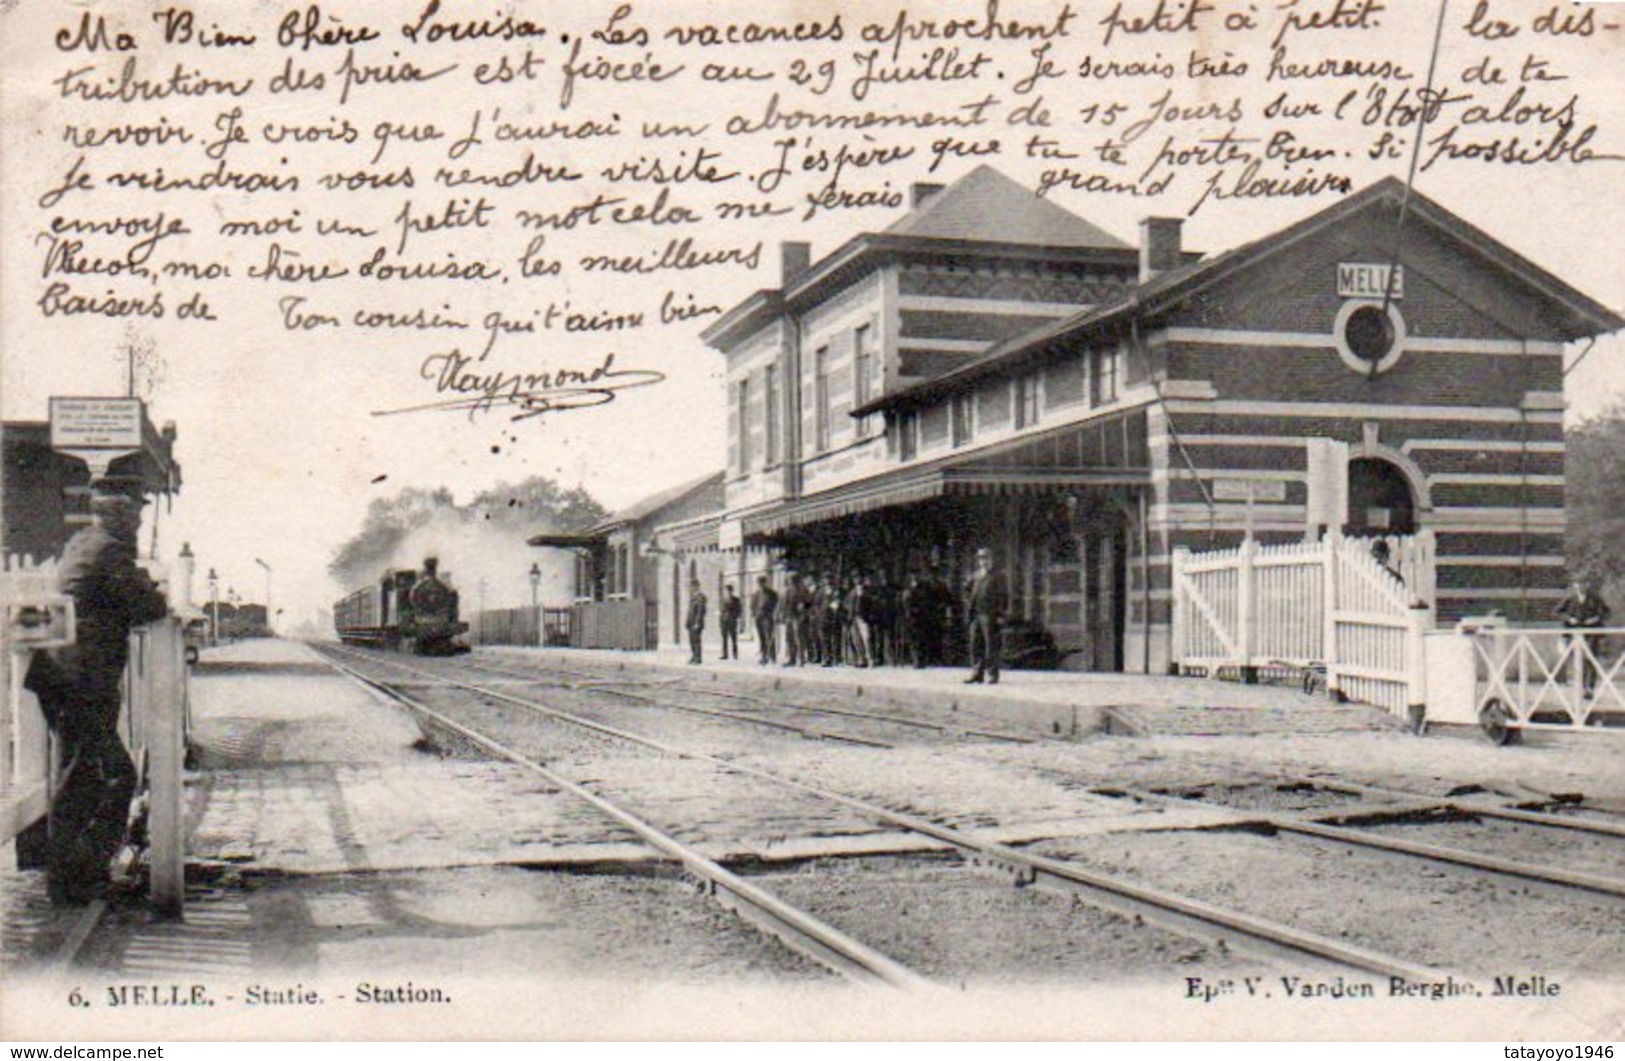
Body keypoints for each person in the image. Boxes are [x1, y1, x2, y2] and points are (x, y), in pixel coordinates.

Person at [24, 481, 168, 906]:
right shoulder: (108, 550)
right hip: (80, 681)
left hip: (67, 677)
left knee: (86, 773)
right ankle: (73, 880)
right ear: (117, 513)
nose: (141, 520)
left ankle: (77, 876)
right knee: (95, 776)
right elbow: (149, 606)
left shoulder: (85, 544)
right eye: (136, 512)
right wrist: (149, 589)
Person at [1556, 579, 1611, 698]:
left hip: (1592, 633)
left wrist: (1596, 619)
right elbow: (1558, 612)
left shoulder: (1595, 598)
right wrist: (1569, 619)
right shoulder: (1570, 598)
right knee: (1578, 660)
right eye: (1578, 584)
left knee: (1591, 659)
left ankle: (1590, 687)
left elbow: (1606, 612)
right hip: (1574, 633)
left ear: (1588, 584)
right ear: (1575, 585)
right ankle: (1581, 687)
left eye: (1584, 583)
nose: (1581, 586)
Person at [964, 547, 1007, 685]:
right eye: (981, 558)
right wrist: (968, 601)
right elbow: (967, 589)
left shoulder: (998, 576)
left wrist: (1000, 614)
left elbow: (1003, 597)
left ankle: (992, 674)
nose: (984, 561)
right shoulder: (976, 576)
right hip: (976, 614)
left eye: (986, 558)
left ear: (991, 559)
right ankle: (977, 673)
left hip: (990, 615)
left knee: (991, 646)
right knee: (975, 644)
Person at [751, 576, 779, 665]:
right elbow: (753, 605)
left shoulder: (772, 593)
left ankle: (772, 657)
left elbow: (776, 604)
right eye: (759, 583)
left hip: (768, 617)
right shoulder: (756, 594)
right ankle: (764, 656)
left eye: (762, 583)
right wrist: (754, 614)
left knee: (769, 637)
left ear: (765, 583)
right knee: (762, 638)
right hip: (759, 618)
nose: (761, 585)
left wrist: (773, 613)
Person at [685, 580, 707, 664]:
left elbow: (700, 611)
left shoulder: (701, 597)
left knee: (696, 641)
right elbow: (690, 611)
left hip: (696, 623)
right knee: (692, 640)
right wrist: (687, 622)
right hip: (691, 623)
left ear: (696, 586)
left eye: (692, 587)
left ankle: (698, 658)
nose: (691, 589)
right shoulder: (693, 597)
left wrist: (697, 623)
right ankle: (694, 656)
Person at [719, 584, 742, 660]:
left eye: (729, 591)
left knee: (733, 639)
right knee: (724, 639)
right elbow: (722, 611)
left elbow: (739, 610)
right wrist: (721, 621)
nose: (728, 592)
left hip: (732, 622)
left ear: (732, 591)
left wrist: (734, 617)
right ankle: (725, 654)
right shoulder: (723, 600)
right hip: (724, 622)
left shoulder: (736, 600)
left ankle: (735, 654)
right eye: (727, 591)